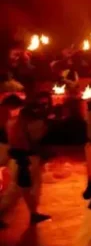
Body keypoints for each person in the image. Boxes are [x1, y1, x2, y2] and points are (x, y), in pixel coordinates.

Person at [1, 96, 50, 224]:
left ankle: (33, 214)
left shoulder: (11, 122)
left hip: (18, 159)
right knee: (21, 188)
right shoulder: (31, 123)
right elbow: (35, 139)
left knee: (23, 189)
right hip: (27, 160)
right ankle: (32, 214)